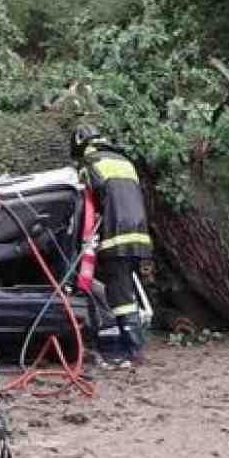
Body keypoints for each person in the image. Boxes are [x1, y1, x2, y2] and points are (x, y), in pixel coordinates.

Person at [74, 126, 152, 365]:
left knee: (120, 295)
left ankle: (133, 350)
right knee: (127, 288)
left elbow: (87, 201)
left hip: (115, 233)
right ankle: (130, 341)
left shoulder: (90, 163)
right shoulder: (125, 162)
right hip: (138, 233)